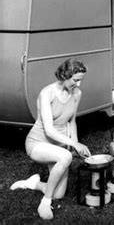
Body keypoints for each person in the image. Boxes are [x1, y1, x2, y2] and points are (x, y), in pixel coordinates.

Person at [10, 59, 91, 220]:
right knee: (65, 157)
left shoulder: (76, 93)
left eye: (81, 80)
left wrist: (74, 144)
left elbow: (71, 121)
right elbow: (49, 130)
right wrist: (73, 144)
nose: (79, 84)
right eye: (76, 80)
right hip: (38, 143)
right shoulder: (47, 93)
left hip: (59, 146)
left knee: (59, 194)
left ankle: (32, 183)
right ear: (64, 75)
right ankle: (45, 203)